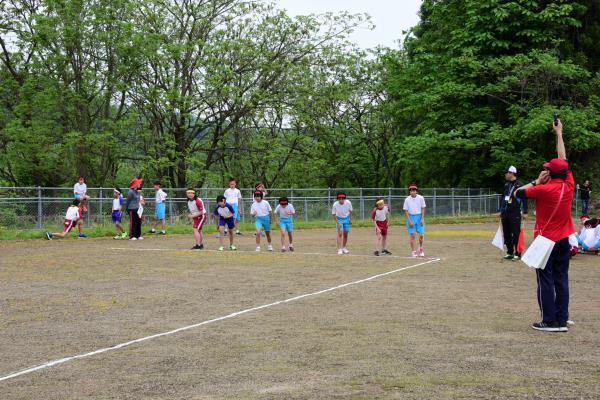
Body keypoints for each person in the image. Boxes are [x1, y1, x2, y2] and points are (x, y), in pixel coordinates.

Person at [514, 118, 575, 332]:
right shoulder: (569, 185)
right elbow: (563, 159)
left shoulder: (543, 189)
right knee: (562, 279)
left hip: (546, 240)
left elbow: (517, 193)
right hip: (564, 239)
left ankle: (549, 321)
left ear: (550, 173)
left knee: (545, 280)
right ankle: (562, 318)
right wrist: (559, 134)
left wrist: (537, 181)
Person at [499, 166, 529, 260]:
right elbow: (503, 198)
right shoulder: (506, 185)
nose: (505, 174)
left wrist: (525, 211)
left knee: (516, 233)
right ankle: (510, 252)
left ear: (511, 173)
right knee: (506, 232)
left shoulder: (520, 185)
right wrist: (501, 210)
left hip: (515, 212)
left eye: (506, 172)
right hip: (505, 212)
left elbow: (524, 199)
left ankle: (518, 253)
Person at [403, 184, 426, 257]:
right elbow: (406, 211)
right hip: (411, 217)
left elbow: (423, 208)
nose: (412, 192)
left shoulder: (421, 198)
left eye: (414, 190)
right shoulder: (407, 199)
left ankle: (421, 248)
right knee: (412, 235)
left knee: (421, 235)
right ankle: (413, 251)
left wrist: (422, 218)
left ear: (416, 191)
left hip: (419, 217)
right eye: (411, 190)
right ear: (409, 192)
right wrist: (409, 221)